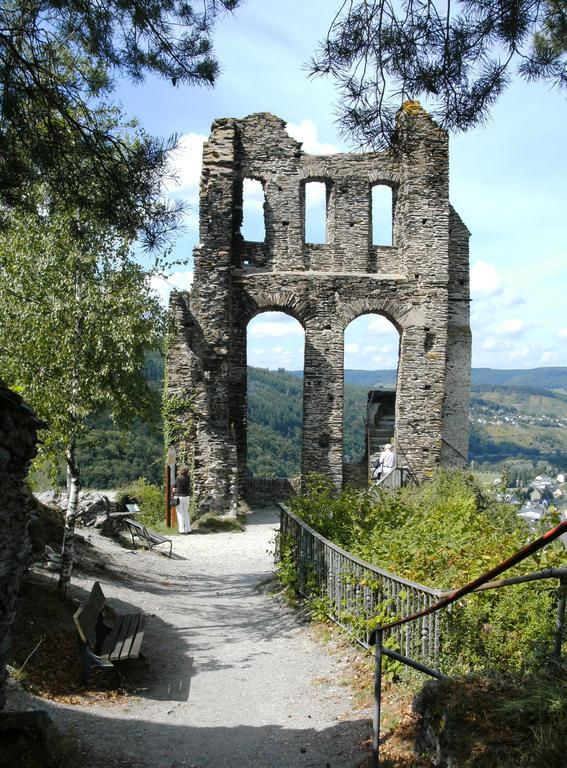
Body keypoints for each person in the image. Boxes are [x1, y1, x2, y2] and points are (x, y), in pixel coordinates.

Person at [173, 466, 191, 534]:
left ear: (180, 471)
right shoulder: (188, 478)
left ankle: (181, 530)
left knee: (180, 513)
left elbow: (175, 487)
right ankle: (188, 528)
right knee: (186, 512)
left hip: (179, 496)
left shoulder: (178, 478)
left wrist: (174, 489)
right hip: (186, 496)